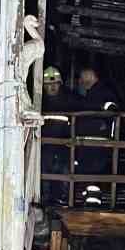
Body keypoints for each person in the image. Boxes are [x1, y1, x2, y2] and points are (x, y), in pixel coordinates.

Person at [75, 64, 117, 208]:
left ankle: (92, 203)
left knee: (93, 174)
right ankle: (90, 201)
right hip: (90, 142)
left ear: (90, 77)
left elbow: (111, 111)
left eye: (82, 78)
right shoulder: (93, 93)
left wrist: (101, 122)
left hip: (96, 142)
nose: (80, 81)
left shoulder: (100, 93)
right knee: (89, 174)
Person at [41, 66, 79, 205]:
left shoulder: (69, 100)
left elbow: (83, 108)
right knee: (43, 173)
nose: (52, 87)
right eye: (48, 84)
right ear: (43, 86)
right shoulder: (39, 102)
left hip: (64, 146)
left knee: (64, 173)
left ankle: (63, 201)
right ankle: (44, 200)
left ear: (60, 84)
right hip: (44, 145)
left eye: (55, 84)